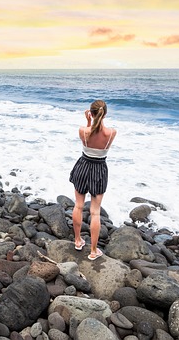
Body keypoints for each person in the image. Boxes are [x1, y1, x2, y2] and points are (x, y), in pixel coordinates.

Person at [69, 99, 117, 260]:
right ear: (105, 113)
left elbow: (88, 135)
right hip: (99, 169)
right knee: (95, 212)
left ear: (91, 112)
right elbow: (99, 134)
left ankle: (77, 240)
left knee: (78, 206)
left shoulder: (83, 130)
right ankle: (93, 250)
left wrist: (88, 122)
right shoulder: (111, 133)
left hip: (82, 166)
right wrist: (92, 121)